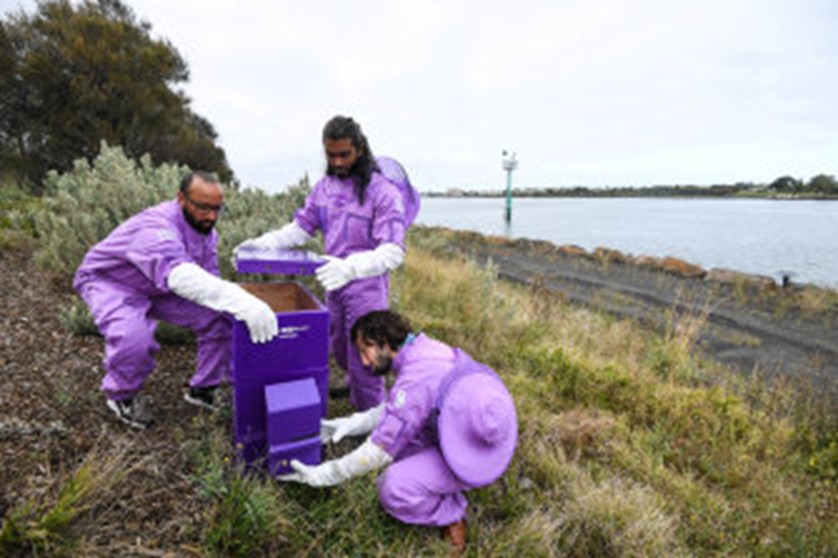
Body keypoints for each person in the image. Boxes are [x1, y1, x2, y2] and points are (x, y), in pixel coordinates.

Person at [280, 310, 518, 553]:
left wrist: (327, 473)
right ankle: (443, 484)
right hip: (478, 432)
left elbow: (379, 450)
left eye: (366, 349)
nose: (364, 361)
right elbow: (401, 406)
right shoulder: (424, 350)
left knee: (393, 486)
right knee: (404, 447)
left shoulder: (415, 379)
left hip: (476, 452)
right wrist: (352, 423)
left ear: (384, 342)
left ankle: (451, 515)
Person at [74, 171, 279, 429]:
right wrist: (242, 299)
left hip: (157, 284)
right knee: (133, 335)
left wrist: (229, 303)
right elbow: (181, 276)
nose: (211, 217)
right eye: (203, 207)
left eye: (217, 209)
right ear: (181, 199)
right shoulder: (156, 227)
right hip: (113, 281)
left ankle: (204, 389)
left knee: (220, 315)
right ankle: (122, 396)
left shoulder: (205, 231)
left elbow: (207, 279)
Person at [235, 116, 407, 411]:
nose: (338, 162)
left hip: (366, 287)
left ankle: (373, 424)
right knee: (340, 348)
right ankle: (355, 387)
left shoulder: (383, 193)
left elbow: (393, 251)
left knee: (366, 358)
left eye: (344, 155)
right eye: (331, 155)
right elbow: (302, 227)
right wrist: (263, 243)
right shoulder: (324, 187)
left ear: (361, 150)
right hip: (332, 282)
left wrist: (351, 267)